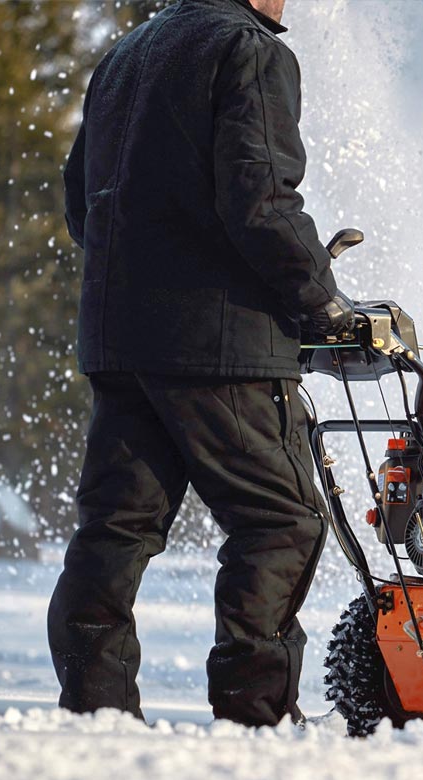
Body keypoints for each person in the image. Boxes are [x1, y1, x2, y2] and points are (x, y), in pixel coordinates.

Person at [48, 0, 354, 727]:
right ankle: (257, 717)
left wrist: (141, 285)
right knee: (281, 522)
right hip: (219, 348)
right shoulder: (247, 50)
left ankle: (97, 712)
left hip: (122, 345)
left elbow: (78, 202)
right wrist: (326, 305)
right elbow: (262, 202)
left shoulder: (127, 56)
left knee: (114, 530)